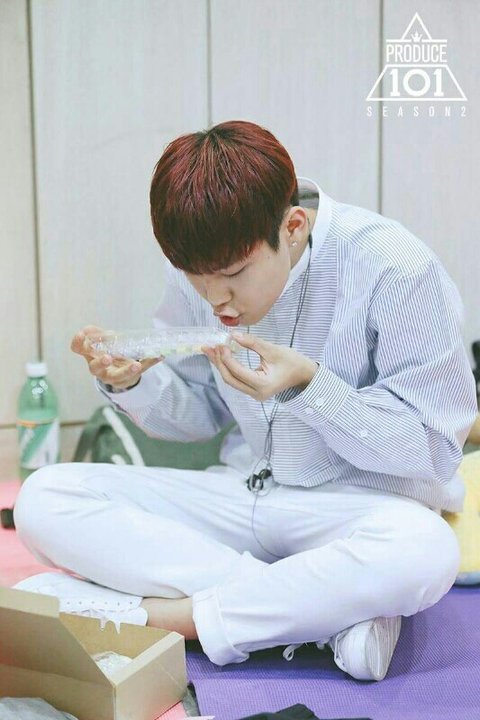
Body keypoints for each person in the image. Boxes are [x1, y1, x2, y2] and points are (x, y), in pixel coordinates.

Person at [13, 120, 478, 681]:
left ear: (293, 227)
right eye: (195, 277)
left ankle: (170, 618)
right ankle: (324, 616)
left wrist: (310, 386)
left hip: (353, 509)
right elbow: (200, 413)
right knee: (45, 498)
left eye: (233, 274)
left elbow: (432, 451)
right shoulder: (205, 264)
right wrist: (131, 384)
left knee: (425, 550)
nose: (217, 299)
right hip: (243, 493)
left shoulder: (396, 268)